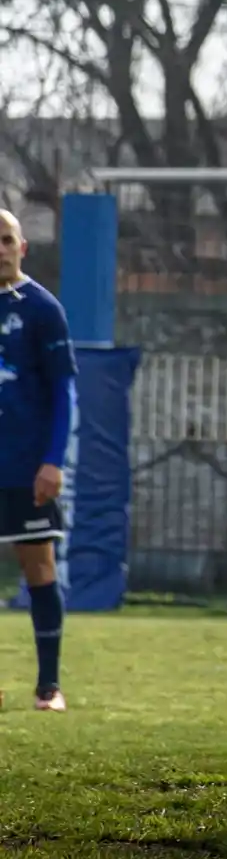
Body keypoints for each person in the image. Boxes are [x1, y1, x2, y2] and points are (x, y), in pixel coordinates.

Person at [0, 209, 77, 713]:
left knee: (38, 566)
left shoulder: (42, 308)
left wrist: (53, 461)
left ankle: (48, 687)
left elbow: (64, 389)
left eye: (6, 239)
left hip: (26, 467)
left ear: (22, 247)